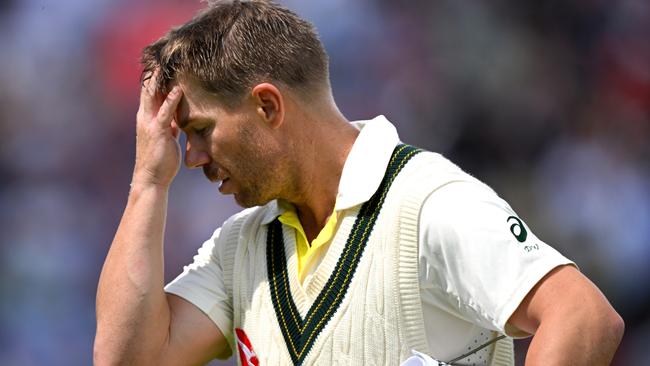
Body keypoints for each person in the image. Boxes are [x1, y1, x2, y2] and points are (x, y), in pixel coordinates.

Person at [94, 1, 624, 365]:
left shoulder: (429, 202)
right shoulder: (240, 246)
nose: (191, 158)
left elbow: (582, 316)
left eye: (201, 131)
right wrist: (146, 183)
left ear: (267, 105)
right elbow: (128, 359)